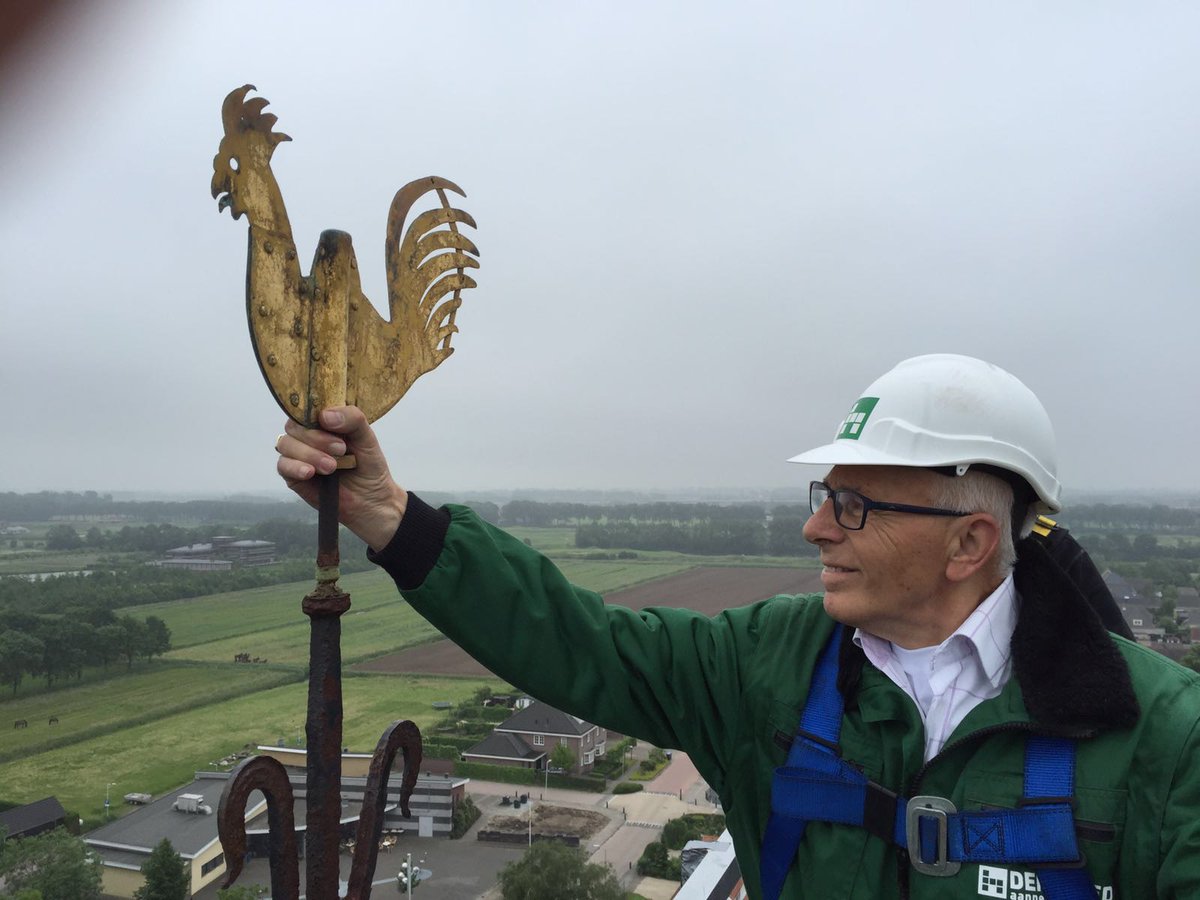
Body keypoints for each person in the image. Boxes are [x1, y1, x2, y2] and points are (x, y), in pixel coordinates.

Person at [275, 354, 1200, 898]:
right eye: (822, 496)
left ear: (969, 542)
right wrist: (391, 515)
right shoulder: (766, 661)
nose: (815, 527)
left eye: (854, 505)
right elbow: (577, 640)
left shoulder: (1161, 734)